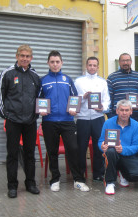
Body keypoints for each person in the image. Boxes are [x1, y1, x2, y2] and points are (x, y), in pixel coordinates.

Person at [39, 50, 89, 192]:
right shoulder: (43, 80)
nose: (55, 64)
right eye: (52, 62)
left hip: (67, 121)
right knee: (52, 150)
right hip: (49, 121)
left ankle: (78, 180)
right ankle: (55, 179)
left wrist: (75, 109)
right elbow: (38, 99)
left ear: (62, 63)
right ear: (48, 63)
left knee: (73, 149)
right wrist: (40, 110)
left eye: (57, 62)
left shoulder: (67, 79)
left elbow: (75, 97)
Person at [0, 45, 41, 198]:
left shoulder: (35, 76)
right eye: (22, 55)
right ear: (17, 56)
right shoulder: (7, 73)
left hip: (29, 122)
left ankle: (30, 183)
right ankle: (12, 186)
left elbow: (39, 98)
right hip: (13, 121)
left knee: (29, 154)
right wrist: (6, 116)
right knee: (12, 154)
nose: (24, 59)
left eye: (27, 56)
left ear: (31, 58)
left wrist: (35, 116)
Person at [98, 100, 138, 195]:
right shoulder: (108, 123)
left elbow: (136, 146)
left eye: (127, 110)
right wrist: (102, 147)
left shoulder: (136, 125)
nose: (124, 113)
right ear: (117, 111)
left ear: (131, 111)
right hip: (112, 154)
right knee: (111, 151)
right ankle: (110, 182)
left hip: (128, 156)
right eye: (122, 110)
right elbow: (101, 141)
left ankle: (123, 173)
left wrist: (123, 149)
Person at [74, 56, 110, 182]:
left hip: (98, 118)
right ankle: (81, 174)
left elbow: (107, 101)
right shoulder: (78, 82)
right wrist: (83, 97)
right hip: (82, 118)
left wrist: (102, 107)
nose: (92, 67)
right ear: (86, 66)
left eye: (95, 65)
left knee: (98, 146)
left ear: (98, 67)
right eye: (90, 65)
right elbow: (73, 100)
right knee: (81, 147)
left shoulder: (103, 82)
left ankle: (98, 173)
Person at [106, 53, 138, 163]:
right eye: (123, 60)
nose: (125, 63)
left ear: (131, 61)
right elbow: (108, 96)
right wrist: (110, 115)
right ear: (119, 62)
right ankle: (118, 168)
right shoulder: (112, 77)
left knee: (137, 141)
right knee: (116, 143)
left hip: (135, 114)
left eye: (127, 60)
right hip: (117, 115)